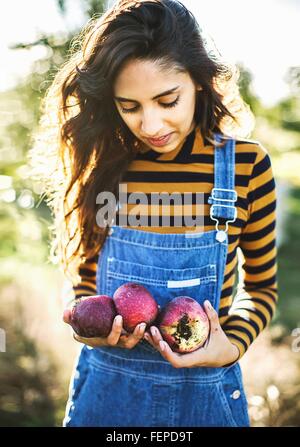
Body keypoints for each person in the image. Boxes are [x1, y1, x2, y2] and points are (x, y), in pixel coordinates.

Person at [30, 0, 277, 427]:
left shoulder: (246, 168)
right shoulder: (105, 166)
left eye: (168, 100)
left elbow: (262, 289)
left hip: (205, 397)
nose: (150, 124)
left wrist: (231, 345)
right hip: (108, 394)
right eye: (130, 106)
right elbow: (84, 277)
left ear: (199, 81)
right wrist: (85, 319)